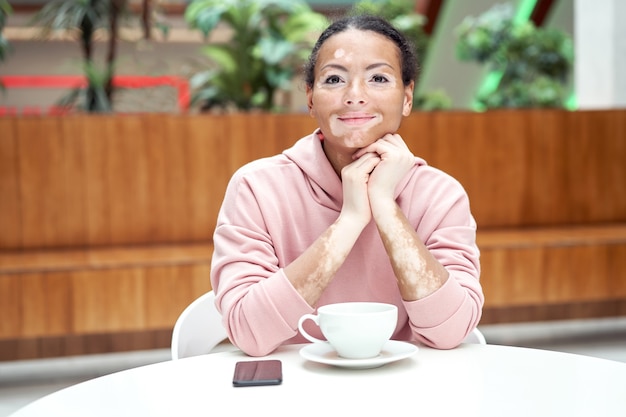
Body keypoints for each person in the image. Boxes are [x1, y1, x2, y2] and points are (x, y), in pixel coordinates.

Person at [211, 14, 484, 357]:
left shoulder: (440, 195)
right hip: (292, 391)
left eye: (379, 78)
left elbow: (451, 331)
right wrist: (351, 219)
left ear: (407, 97)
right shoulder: (257, 187)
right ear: (310, 98)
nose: (355, 96)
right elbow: (248, 332)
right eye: (335, 79)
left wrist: (384, 205)